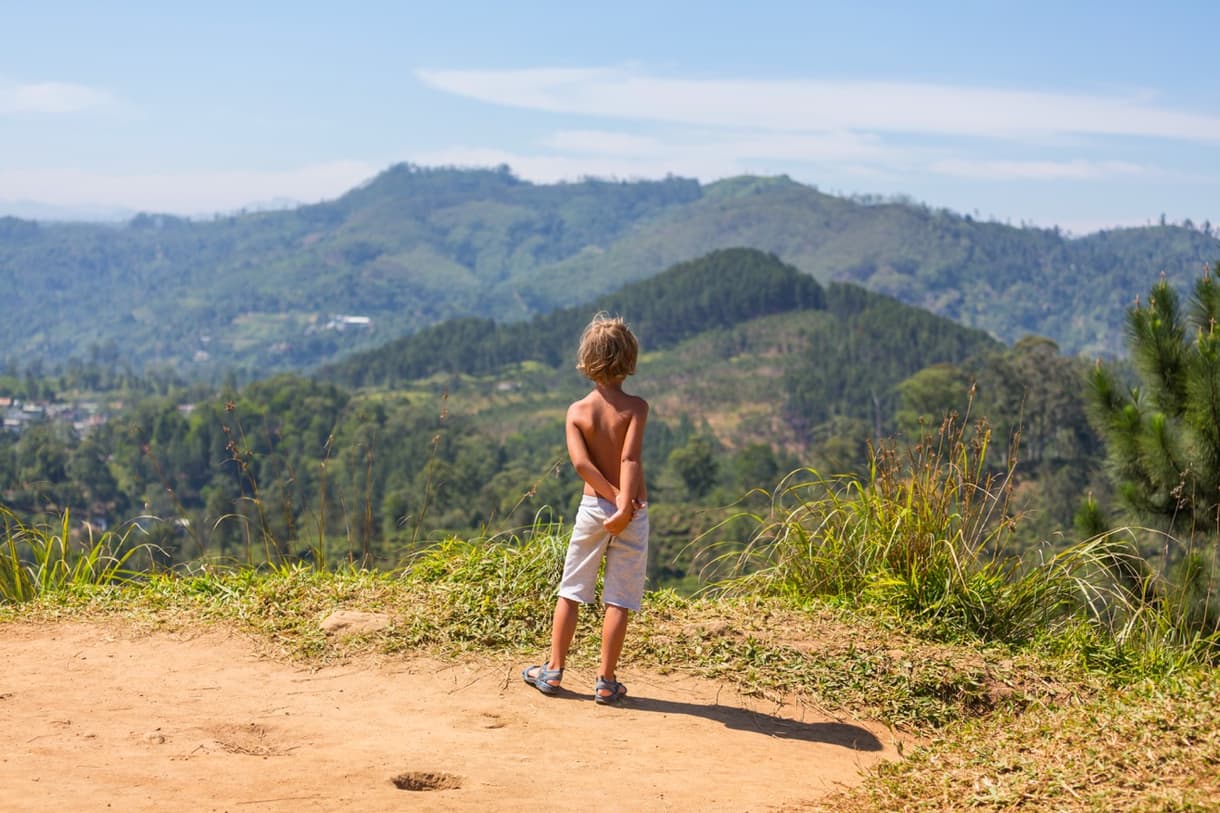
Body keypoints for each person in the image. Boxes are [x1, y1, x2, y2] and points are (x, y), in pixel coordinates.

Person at [522, 313, 649, 705]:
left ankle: (554, 671)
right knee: (620, 598)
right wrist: (625, 504)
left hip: (593, 507)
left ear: (587, 359)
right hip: (633, 509)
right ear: (629, 358)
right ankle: (606, 681)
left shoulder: (576, 412)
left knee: (572, 589)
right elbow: (630, 459)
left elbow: (581, 465)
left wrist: (610, 497)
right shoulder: (636, 408)